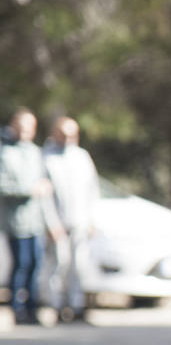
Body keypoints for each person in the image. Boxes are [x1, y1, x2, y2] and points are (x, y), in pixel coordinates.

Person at [0, 108, 58, 325]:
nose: (25, 132)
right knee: (21, 264)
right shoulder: (5, 153)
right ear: (14, 127)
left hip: (36, 222)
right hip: (16, 222)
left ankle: (32, 308)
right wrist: (29, 189)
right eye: (21, 127)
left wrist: (50, 222)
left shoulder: (35, 152)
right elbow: (4, 186)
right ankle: (17, 309)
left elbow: (44, 189)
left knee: (36, 264)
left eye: (29, 128)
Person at [42, 116, 101, 323]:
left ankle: (77, 306)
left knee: (79, 264)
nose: (68, 138)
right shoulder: (47, 157)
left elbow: (92, 190)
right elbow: (45, 196)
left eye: (72, 134)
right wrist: (50, 223)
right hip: (58, 223)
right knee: (59, 264)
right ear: (55, 133)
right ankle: (57, 306)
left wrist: (92, 219)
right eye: (64, 134)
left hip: (80, 221)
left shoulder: (82, 157)